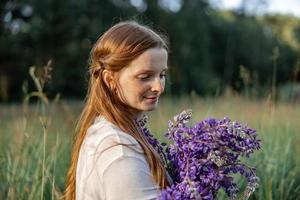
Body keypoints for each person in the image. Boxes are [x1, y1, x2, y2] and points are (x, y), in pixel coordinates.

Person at [64, 20, 172, 200]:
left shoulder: (106, 129)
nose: (159, 87)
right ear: (110, 80)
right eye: (145, 77)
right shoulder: (119, 152)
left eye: (162, 75)